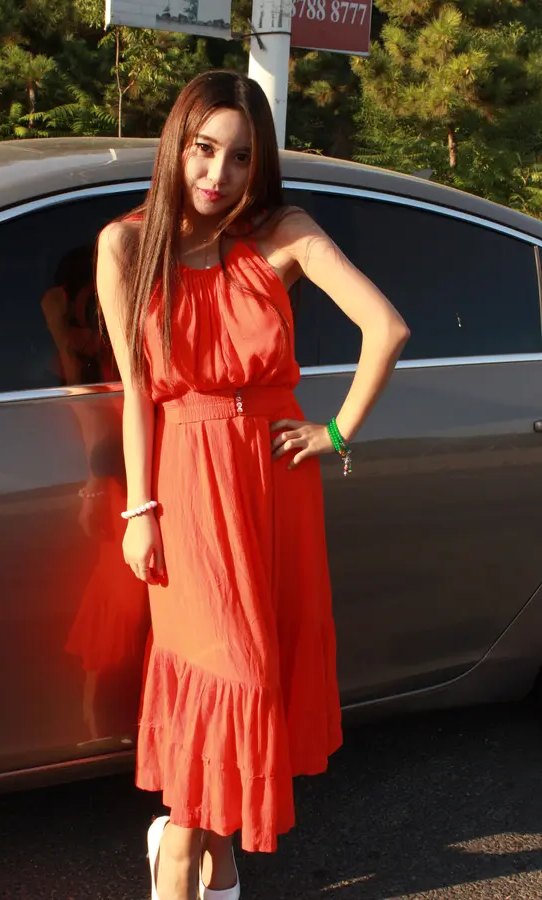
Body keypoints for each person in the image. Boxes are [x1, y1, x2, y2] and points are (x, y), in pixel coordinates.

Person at [96, 69, 410, 900]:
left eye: (241, 157)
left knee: (259, 670)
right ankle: (180, 854)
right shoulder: (126, 246)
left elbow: (387, 327)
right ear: (178, 145)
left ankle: (214, 856)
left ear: (259, 164)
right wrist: (140, 509)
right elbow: (137, 392)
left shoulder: (284, 233)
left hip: (272, 480)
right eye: (204, 150)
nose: (219, 174)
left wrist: (336, 431)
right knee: (227, 673)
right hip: (187, 483)